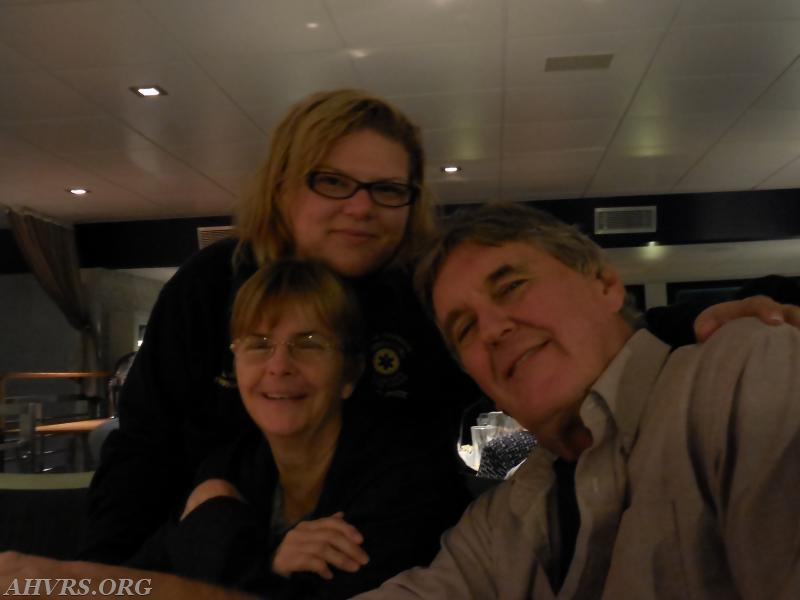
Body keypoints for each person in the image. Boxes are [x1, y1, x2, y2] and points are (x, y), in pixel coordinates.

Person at [81, 87, 800, 566]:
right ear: (283, 185)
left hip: (411, 552)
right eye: (332, 180)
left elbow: (523, 383)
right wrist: (101, 578)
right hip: (221, 558)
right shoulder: (209, 289)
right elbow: (145, 449)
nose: (361, 206)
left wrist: (680, 331)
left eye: (387, 189)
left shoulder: (427, 296)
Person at [352, 203, 800, 599]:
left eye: (511, 286)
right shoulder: (502, 518)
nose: (490, 329)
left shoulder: (740, 376)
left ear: (605, 283)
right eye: (465, 328)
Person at [126, 259, 468, 598]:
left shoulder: (407, 480)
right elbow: (133, 586)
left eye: (308, 343)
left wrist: (218, 529)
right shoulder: (229, 468)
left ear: (349, 374)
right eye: (259, 344)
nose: (278, 366)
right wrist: (271, 564)